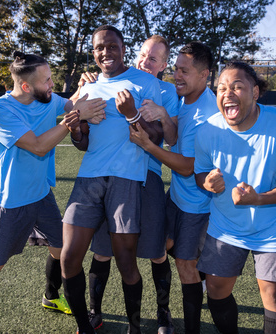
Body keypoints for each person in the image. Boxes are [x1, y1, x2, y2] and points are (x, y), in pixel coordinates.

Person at [0, 51, 106, 334]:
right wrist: (75, 116)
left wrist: (86, 89)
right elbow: (38, 146)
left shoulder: (47, 98)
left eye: (51, 78)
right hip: (11, 201)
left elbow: (72, 104)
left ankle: (51, 296)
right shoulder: (0, 111)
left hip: (41, 194)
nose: (52, 85)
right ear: (25, 87)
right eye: (46, 80)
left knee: (61, 250)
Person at [59, 25, 163, 334]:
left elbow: (157, 138)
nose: (106, 53)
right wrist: (77, 128)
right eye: (99, 48)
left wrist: (132, 114)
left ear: (123, 47)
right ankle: (85, 326)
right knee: (69, 258)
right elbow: (83, 143)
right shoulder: (89, 87)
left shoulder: (145, 83)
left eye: (112, 46)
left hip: (127, 179)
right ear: (93, 52)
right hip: (88, 180)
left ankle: (134, 327)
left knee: (126, 261)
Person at [194, 61, 276, 334]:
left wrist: (258, 199)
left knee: (273, 296)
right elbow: (200, 172)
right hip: (226, 224)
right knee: (215, 288)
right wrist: (208, 183)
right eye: (222, 88)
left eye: (237, 87)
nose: (228, 93)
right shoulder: (208, 130)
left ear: (255, 93)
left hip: (274, 227)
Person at [81, 35, 179, 334]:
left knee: (156, 250)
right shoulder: (107, 79)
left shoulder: (166, 91)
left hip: (146, 176)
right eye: (143, 56)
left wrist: (161, 114)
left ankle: (163, 313)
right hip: (108, 176)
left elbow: (170, 137)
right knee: (102, 249)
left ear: (163, 65)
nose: (145, 63)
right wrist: (86, 84)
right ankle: (95, 311)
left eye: (153, 59)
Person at [129, 41, 218, 334]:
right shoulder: (186, 97)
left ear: (204, 74)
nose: (177, 76)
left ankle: (191, 327)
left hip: (197, 204)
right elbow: (176, 130)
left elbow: (187, 166)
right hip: (178, 197)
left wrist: (147, 146)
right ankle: (200, 272)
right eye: (177, 68)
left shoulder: (206, 114)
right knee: (163, 244)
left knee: (185, 266)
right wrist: (166, 116)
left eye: (185, 71)